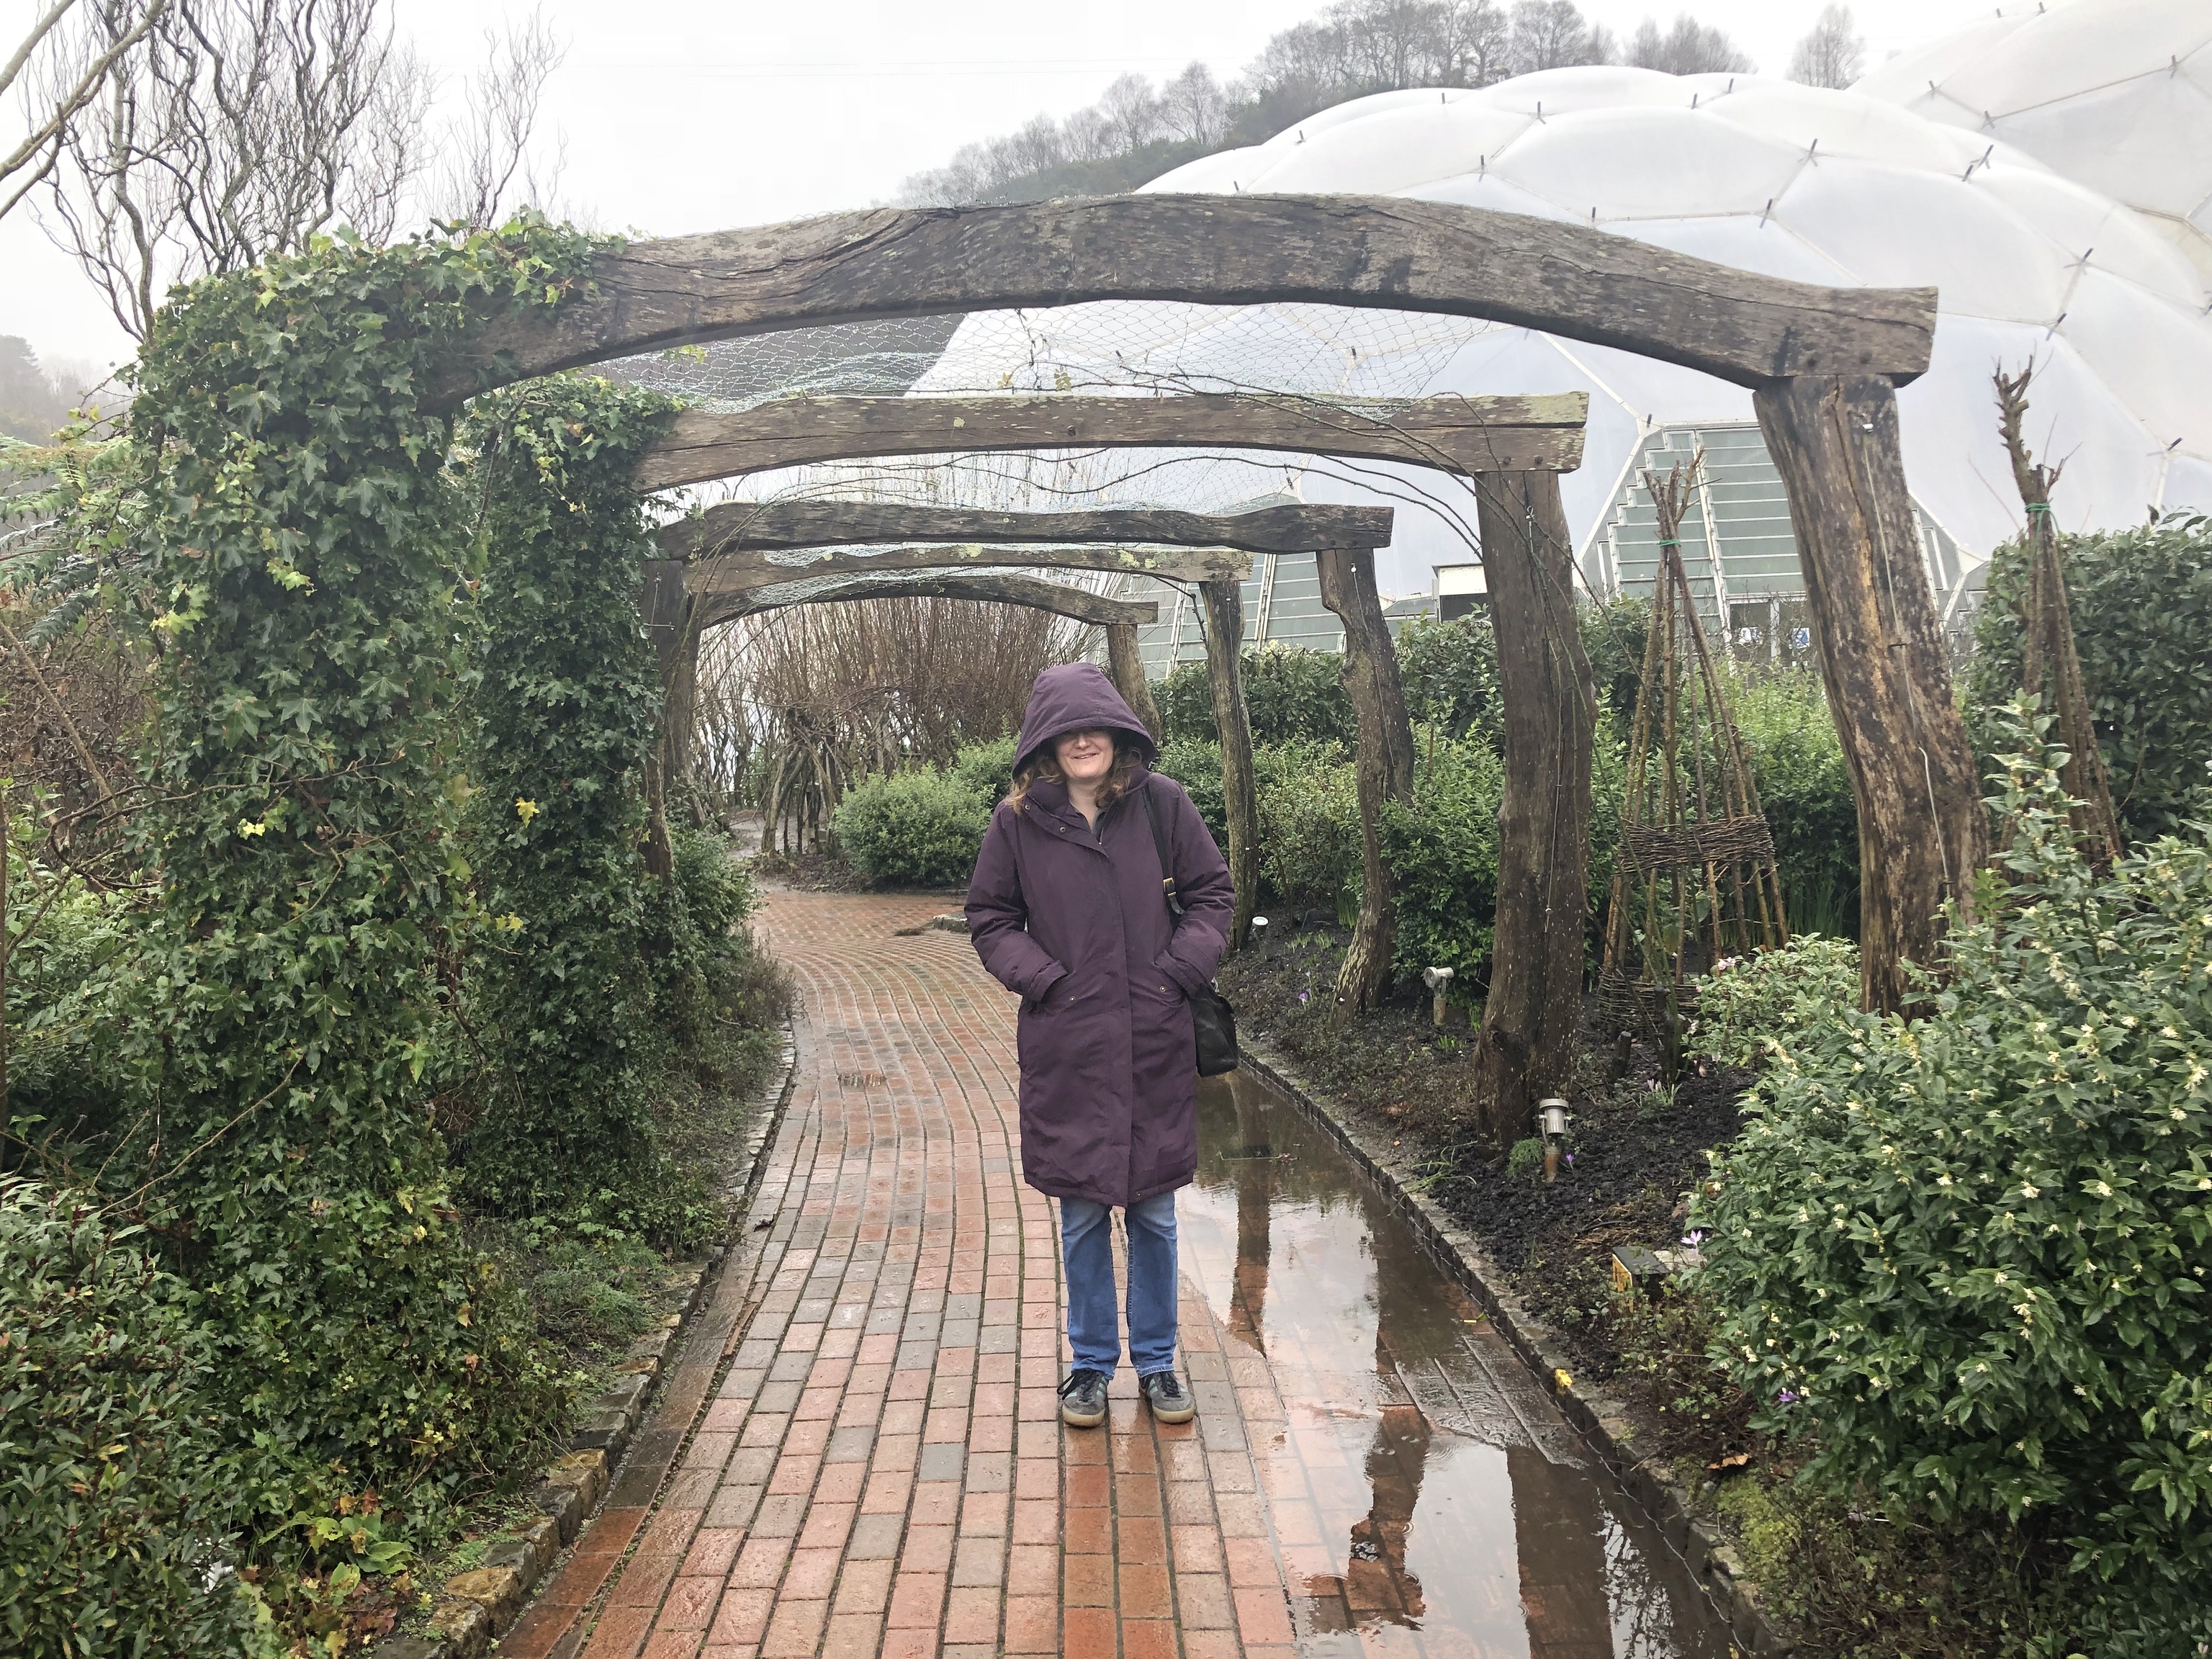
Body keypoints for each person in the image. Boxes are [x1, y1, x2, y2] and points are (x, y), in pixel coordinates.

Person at [966, 663, 1233, 1429]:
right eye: (1067, 730)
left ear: (1119, 733)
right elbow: (990, 917)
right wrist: (1045, 981)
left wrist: (1175, 974)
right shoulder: (1016, 823)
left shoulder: (1163, 804)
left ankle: (1157, 1362)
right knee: (1082, 1216)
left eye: (1095, 727)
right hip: (1070, 1048)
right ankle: (1089, 1365)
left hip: (1153, 1041)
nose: (1083, 741)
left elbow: (1212, 895)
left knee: (1155, 1216)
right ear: (1045, 743)